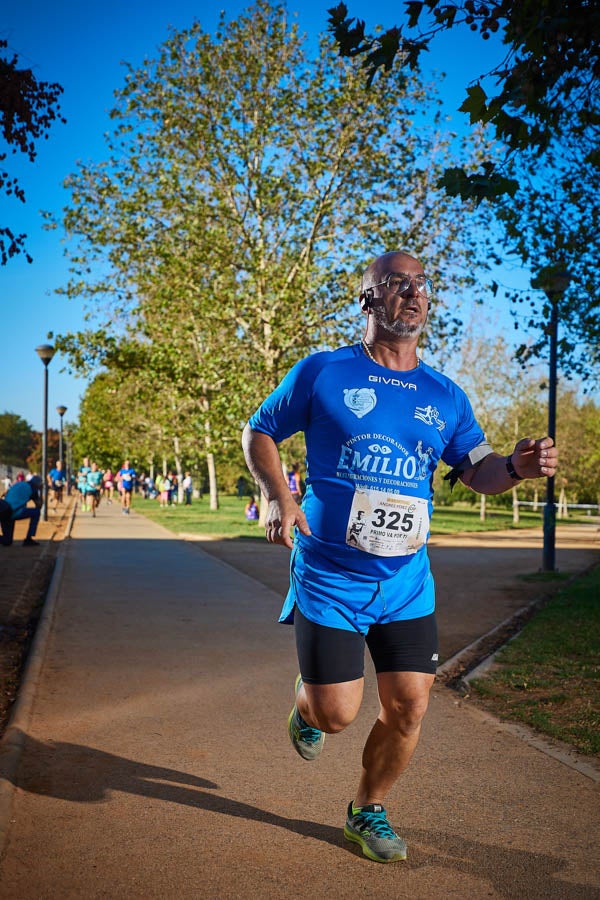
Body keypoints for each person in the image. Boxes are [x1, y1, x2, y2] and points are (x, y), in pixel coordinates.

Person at [242, 250, 558, 864]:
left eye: (421, 286)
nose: (412, 294)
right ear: (367, 299)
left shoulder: (445, 393)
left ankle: (367, 809)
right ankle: (307, 707)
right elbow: (259, 432)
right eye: (396, 284)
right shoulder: (322, 372)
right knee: (336, 715)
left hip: (407, 581)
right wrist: (278, 495)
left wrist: (515, 469)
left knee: (411, 703)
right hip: (330, 576)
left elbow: (474, 469)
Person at [0, 475, 43, 547]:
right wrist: (40, 493)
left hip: (4, 509)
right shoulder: (32, 489)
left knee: (7, 541)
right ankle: (29, 538)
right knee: (36, 512)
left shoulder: (20, 483)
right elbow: (39, 505)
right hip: (13, 512)